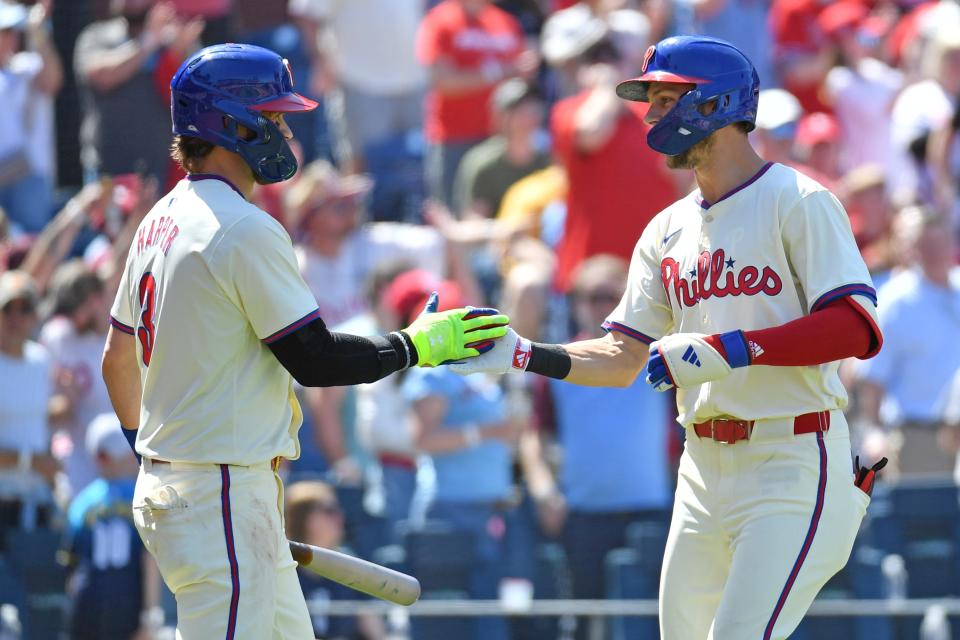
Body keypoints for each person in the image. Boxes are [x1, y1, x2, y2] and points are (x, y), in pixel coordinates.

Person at [451, 35, 885, 639]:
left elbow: (855, 328)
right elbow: (621, 357)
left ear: (714, 104)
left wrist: (731, 349)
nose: (650, 115)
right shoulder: (666, 227)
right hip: (701, 469)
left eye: (663, 98)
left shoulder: (799, 200)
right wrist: (524, 354)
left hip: (791, 458)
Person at [99, 43, 508, 638]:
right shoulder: (243, 227)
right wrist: (414, 346)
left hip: (202, 486)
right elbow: (313, 359)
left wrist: (157, 460)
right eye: (272, 117)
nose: (286, 133)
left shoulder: (159, 218)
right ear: (229, 123)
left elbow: (118, 362)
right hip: (219, 491)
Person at [519, 254, 672, 640]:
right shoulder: (558, 362)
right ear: (576, 302)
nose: (603, 306)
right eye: (593, 296)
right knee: (583, 623)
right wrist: (543, 490)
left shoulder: (660, 355)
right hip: (584, 514)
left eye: (613, 296)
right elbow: (533, 434)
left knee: (657, 621)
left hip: (651, 510)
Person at [62, 413, 163, 640]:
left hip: (86, 601)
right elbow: (148, 560)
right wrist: (150, 615)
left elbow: (71, 563)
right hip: (128, 603)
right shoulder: (140, 499)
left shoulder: (82, 503)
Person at [284, 480, 385, 640]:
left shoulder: (351, 567)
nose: (340, 516)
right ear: (305, 519)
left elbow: (373, 627)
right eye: (329, 511)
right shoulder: (283, 570)